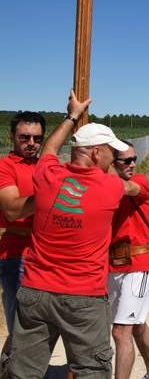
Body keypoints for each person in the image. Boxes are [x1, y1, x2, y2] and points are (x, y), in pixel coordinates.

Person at [5, 91, 141, 377]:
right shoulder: (110, 187)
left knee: (22, 371)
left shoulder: (46, 175)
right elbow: (134, 189)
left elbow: (50, 150)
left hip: (36, 291)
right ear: (95, 153)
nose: (114, 159)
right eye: (111, 153)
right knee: (91, 369)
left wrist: (71, 115)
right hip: (83, 296)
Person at [108, 142, 149, 379]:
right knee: (137, 326)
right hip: (111, 266)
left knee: (120, 331)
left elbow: (127, 188)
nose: (132, 164)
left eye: (134, 159)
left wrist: (97, 174)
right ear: (113, 162)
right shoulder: (102, 186)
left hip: (138, 265)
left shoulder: (140, 181)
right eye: (125, 160)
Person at [0, 112, 44, 352]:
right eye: (24, 137)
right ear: (12, 137)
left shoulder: (46, 166)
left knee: (38, 325)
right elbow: (12, 210)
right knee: (20, 326)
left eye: (37, 138)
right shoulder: (5, 166)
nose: (31, 143)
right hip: (16, 253)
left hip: (44, 254)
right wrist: (48, 194)